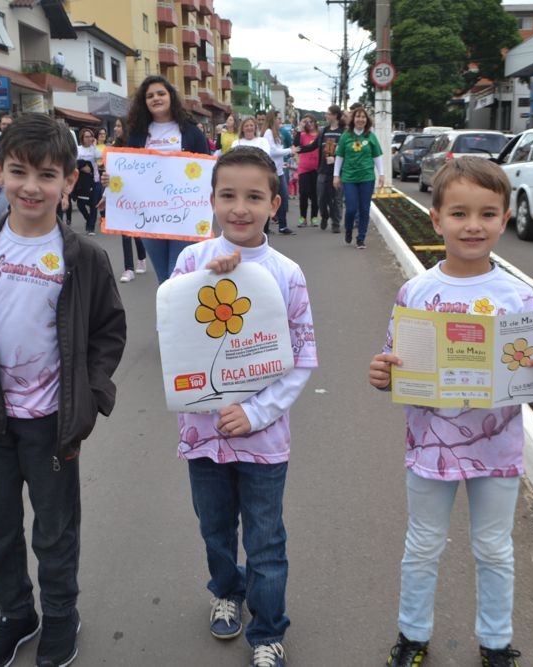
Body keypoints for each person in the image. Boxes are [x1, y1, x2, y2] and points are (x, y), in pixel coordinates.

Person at [0, 113, 127, 667]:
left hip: (52, 421)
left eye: (46, 174)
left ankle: (61, 614)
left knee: (55, 529)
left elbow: (108, 333)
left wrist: (91, 399)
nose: (31, 186)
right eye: (18, 171)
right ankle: (16, 614)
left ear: (69, 181)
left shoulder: (84, 257)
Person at [369, 157, 533, 667]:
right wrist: (383, 372)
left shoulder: (516, 296)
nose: (472, 225)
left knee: (495, 549)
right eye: (459, 213)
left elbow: (529, 369)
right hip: (429, 445)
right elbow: (397, 361)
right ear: (436, 219)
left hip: (497, 448)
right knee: (423, 546)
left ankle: (496, 644)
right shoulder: (417, 292)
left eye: (486, 213)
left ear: (504, 219)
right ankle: (412, 636)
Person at [168, 147, 317, 667]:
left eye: (254, 197)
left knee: (266, 538)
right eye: (228, 195)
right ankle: (226, 592)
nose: (240, 208)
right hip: (202, 435)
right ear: (211, 200)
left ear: (274, 203)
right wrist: (207, 278)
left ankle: (269, 630)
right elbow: (173, 330)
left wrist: (257, 414)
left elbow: (302, 359)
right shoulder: (191, 261)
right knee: (214, 528)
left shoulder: (287, 273)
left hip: (264, 441)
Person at [111, 74, 210, 283]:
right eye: (150, 96)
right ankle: (169, 315)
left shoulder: (191, 133)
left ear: (171, 97)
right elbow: (128, 173)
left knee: (178, 277)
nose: (156, 98)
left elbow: (207, 173)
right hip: (150, 217)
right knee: (164, 279)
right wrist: (109, 185)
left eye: (161, 93)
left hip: (185, 217)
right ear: (144, 102)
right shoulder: (137, 135)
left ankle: (177, 314)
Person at [334, 106, 385, 249]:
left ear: (366, 120)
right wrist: (336, 175)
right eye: (358, 117)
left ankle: (361, 238)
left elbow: (377, 156)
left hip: (367, 177)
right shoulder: (346, 136)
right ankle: (349, 229)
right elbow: (339, 156)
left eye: (363, 117)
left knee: (364, 208)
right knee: (351, 208)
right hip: (349, 177)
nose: (360, 119)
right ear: (353, 119)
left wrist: (381, 174)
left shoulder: (371, 136)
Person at [106, 118, 148, 282]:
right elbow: (109, 174)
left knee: (136, 231)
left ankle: (142, 258)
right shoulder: (114, 148)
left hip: (137, 194)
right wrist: (106, 194)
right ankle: (128, 269)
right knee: (125, 232)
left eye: (118, 125)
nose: (116, 129)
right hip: (119, 194)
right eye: (115, 126)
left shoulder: (136, 146)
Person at [262, 110, 297, 235]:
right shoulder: (268, 133)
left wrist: (284, 159)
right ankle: (264, 228)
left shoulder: (276, 133)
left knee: (283, 199)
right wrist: (289, 150)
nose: (280, 121)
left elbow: (277, 152)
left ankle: (283, 226)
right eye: (278, 118)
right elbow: (272, 151)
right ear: (273, 119)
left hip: (279, 171)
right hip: (271, 172)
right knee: (268, 200)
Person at [316, 105, 346, 233]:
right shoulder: (324, 131)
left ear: (335, 115)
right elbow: (315, 146)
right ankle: (324, 215)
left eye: (328, 113)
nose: (326, 116)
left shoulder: (343, 132)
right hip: (323, 169)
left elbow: (347, 151)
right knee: (321, 197)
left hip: (338, 171)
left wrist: (336, 158)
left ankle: (336, 223)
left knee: (337, 199)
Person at [293, 115, 320, 227]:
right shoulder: (303, 135)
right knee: (303, 193)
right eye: (306, 122)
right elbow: (296, 146)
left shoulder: (319, 135)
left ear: (315, 122)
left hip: (317, 168)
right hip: (304, 168)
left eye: (311, 121)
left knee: (315, 194)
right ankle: (302, 217)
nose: (309, 124)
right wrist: (300, 129)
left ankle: (314, 217)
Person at [74, 127, 101, 235]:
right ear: (82, 138)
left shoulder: (94, 149)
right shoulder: (78, 149)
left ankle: (91, 228)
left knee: (93, 204)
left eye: (91, 136)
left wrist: (94, 146)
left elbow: (100, 157)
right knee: (80, 204)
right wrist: (82, 167)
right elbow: (73, 162)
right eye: (87, 136)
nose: (89, 138)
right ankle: (88, 218)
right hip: (81, 181)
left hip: (94, 180)